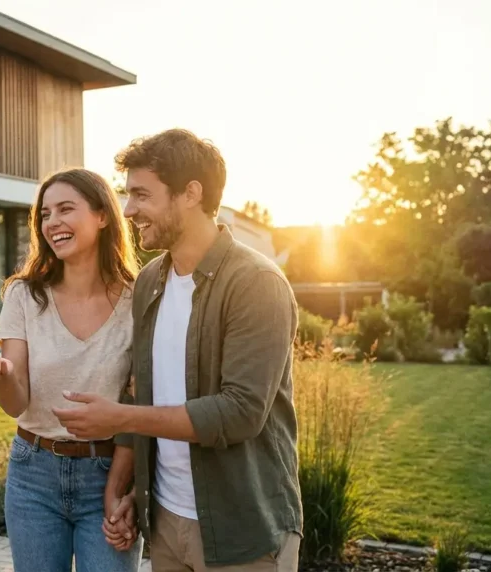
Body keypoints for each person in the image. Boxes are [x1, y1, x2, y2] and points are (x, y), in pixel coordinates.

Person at [51, 129, 303, 572]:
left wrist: (119, 418)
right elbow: (139, 394)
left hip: (242, 531)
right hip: (166, 526)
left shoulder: (254, 283)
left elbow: (239, 412)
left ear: (191, 193)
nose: (129, 211)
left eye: (142, 195)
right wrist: (122, 490)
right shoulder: (151, 282)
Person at [0, 168, 143, 571]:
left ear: (102, 216)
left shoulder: (140, 297)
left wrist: (120, 485)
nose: (52, 223)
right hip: (33, 474)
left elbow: (140, 403)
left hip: (109, 471)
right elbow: (15, 404)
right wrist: (3, 375)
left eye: (66, 209)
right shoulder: (25, 295)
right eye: (45, 214)